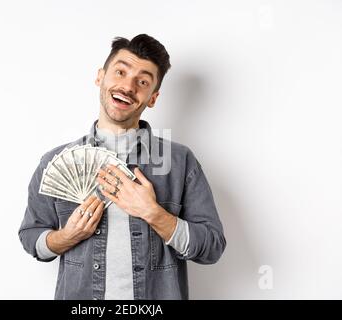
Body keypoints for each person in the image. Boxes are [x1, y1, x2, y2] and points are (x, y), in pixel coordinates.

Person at [18, 34, 226, 300]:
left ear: (152, 97)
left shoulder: (180, 162)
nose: (127, 86)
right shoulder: (54, 161)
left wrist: (154, 213)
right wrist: (67, 237)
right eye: (120, 72)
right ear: (100, 77)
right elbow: (30, 235)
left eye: (142, 81)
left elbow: (212, 247)